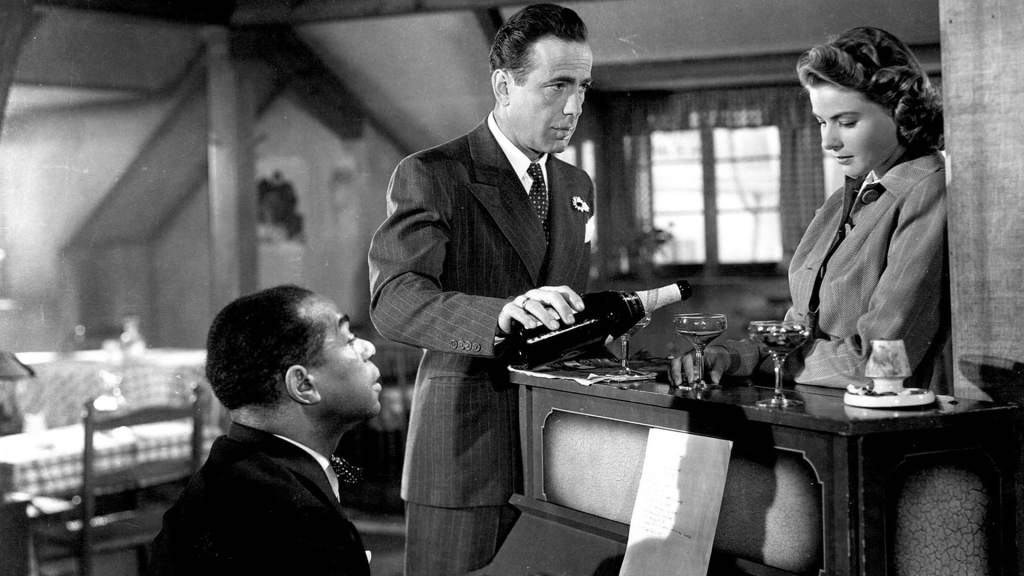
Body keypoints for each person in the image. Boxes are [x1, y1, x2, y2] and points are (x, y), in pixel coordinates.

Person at [367, 3, 595, 574]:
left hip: (558, 454)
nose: (573, 107)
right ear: (503, 86)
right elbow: (394, 299)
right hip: (466, 453)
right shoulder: (434, 173)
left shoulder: (575, 184)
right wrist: (501, 315)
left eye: (582, 87)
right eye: (557, 86)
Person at [673, 26, 948, 391]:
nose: (828, 141)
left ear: (900, 111)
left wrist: (772, 363)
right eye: (821, 122)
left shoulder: (928, 190)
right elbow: (798, 330)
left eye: (847, 122)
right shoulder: (845, 198)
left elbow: (880, 360)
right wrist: (732, 356)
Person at [148, 284, 381, 576]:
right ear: (303, 385)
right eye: (349, 340)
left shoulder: (226, 479)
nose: (368, 348)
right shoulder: (300, 521)